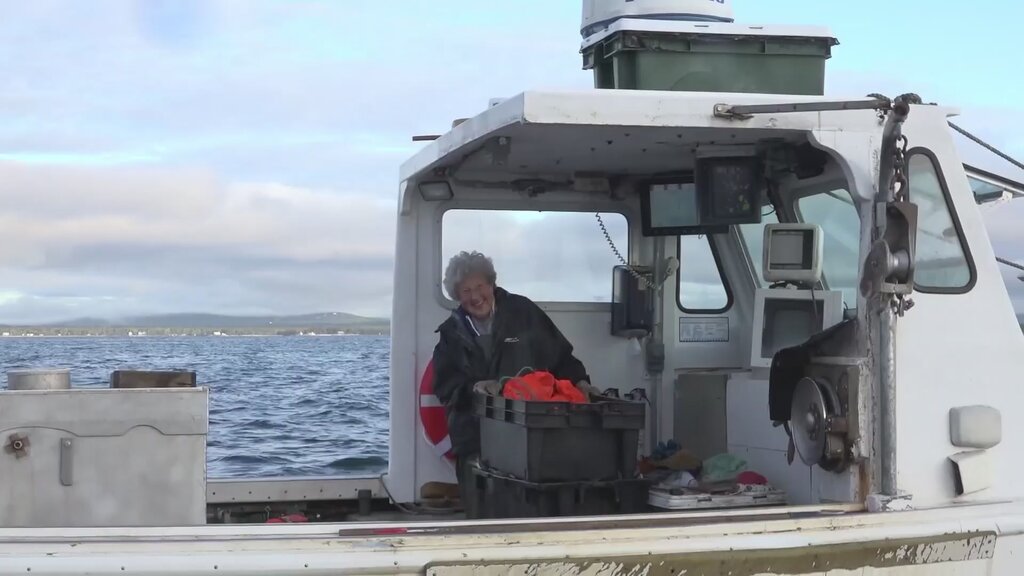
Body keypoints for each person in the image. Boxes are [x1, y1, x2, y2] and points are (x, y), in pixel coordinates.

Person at [431, 251, 593, 503]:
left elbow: (561, 357)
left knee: (527, 507)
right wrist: (474, 388)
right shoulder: (450, 334)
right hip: (475, 439)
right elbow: (445, 387)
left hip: (529, 437)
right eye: (465, 291)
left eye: (479, 286)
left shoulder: (523, 312)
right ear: (456, 295)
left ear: (491, 284)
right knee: (484, 510)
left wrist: (581, 382)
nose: (475, 296)